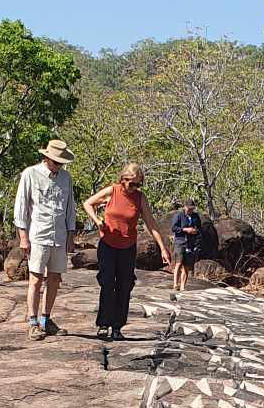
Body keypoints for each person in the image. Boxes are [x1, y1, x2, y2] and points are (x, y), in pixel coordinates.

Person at [83, 164, 171, 341]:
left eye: (139, 184)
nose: (135, 188)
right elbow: (87, 203)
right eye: (132, 184)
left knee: (124, 287)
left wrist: (163, 247)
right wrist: (97, 221)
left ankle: (117, 327)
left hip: (127, 247)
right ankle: (103, 324)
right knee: (107, 284)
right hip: (107, 245)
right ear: (123, 180)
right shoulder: (112, 191)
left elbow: (151, 223)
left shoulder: (139, 198)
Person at [12, 138, 77, 341]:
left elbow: (70, 208)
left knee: (55, 279)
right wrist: (23, 237)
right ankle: (32, 321)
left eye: (61, 162)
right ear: (46, 157)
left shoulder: (66, 178)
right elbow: (21, 206)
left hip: (59, 235)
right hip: (38, 234)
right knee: (36, 278)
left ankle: (45, 319)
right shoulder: (30, 174)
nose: (59, 165)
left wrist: (70, 234)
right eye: (56, 161)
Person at [171, 199, 203, 292]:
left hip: (191, 243)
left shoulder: (195, 216)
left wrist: (195, 231)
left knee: (187, 266)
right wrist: (185, 230)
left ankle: (183, 286)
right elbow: (174, 228)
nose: (190, 210)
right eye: (189, 208)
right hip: (180, 242)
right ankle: (175, 284)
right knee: (179, 263)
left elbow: (199, 228)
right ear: (184, 207)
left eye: (192, 209)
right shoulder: (179, 215)